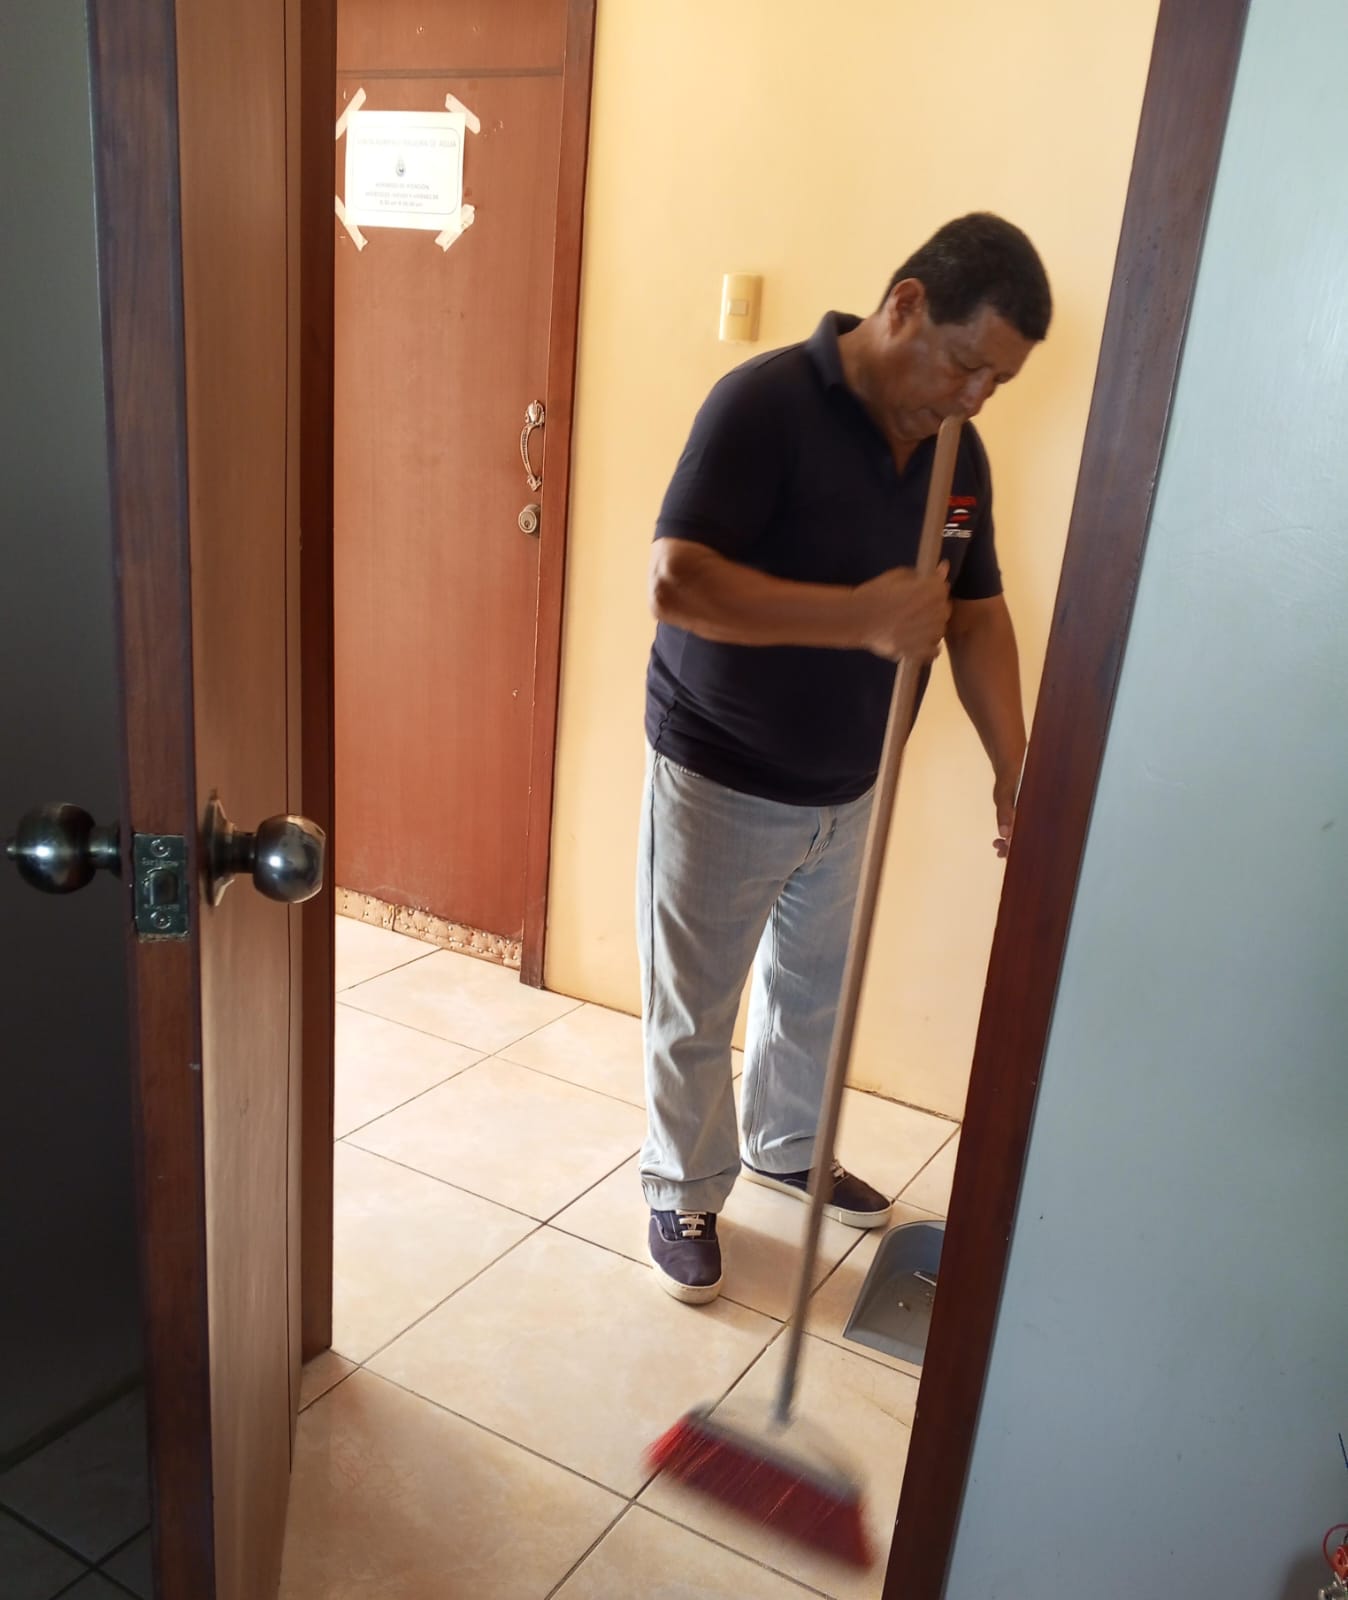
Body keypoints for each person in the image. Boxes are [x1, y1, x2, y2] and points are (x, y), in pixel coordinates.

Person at [637, 213, 1052, 1304]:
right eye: (966, 364)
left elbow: (976, 615)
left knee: (815, 992)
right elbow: (676, 581)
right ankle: (683, 1186)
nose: (976, 397)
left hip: (856, 780)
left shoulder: (958, 455)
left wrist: (1016, 765)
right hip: (722, 772)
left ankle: (787, 1144)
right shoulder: (763, 405)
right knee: (696, 1006)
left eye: (999, 382)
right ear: (905, 305)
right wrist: (855, 618)